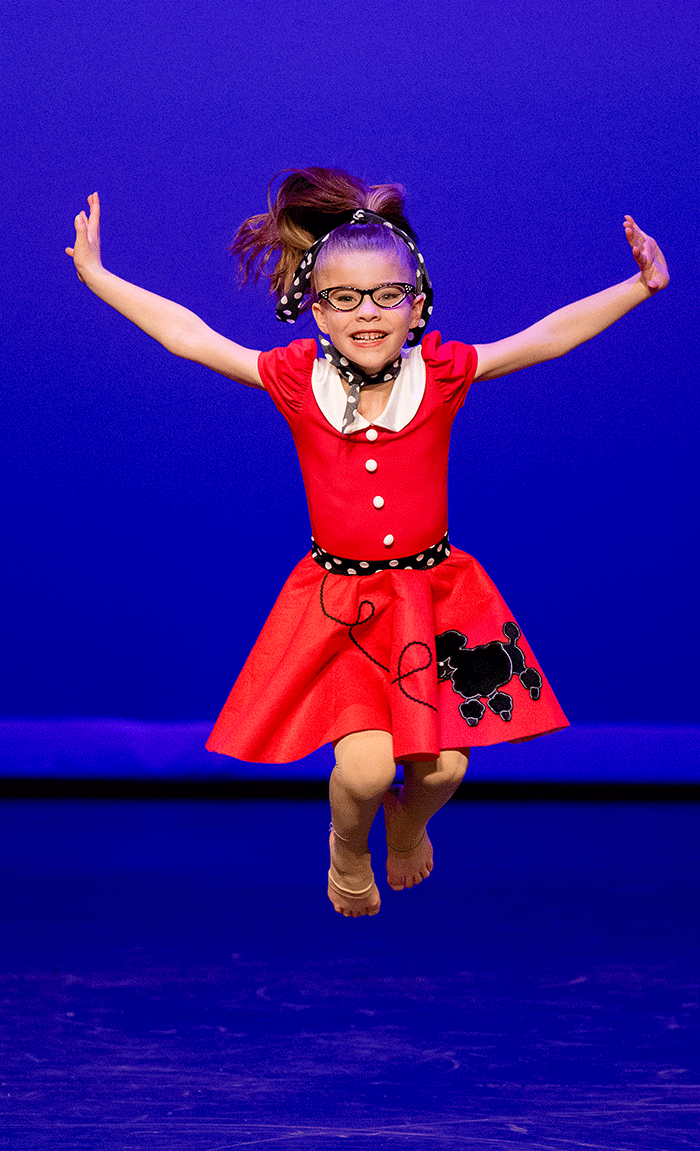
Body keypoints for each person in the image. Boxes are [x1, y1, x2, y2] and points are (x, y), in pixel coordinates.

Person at [66, 168, 668, 918]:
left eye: (386, 295)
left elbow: (544, 339)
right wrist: (98, 275)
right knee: (364, 766)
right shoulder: (295, 379)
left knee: (446, 766)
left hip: (433, 597)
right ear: (315, 309)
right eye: (344, 298)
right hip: (342, 605)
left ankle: (406, 827)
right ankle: (348, 847)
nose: (368, 312)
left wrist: (639, 287)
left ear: (415, 304)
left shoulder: (443, 373)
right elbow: (190, 336)